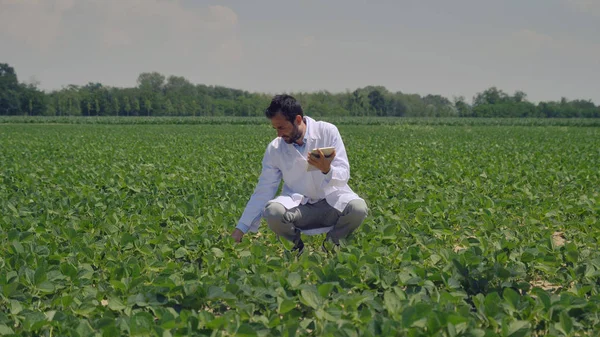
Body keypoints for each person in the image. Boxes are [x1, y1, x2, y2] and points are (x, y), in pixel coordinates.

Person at [230, 94, 368, 254]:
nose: (278, 135)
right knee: (273, 212)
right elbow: (264, 190)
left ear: (297, 119)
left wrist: (327, 170)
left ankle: (330, 247)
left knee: (358, 208)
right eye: (275, 128)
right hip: (299, 208)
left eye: (281, 127)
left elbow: (344, 175)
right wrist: (241, 228)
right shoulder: (275, 148)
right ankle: (297, 251)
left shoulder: (327, 131)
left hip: (331, 204)